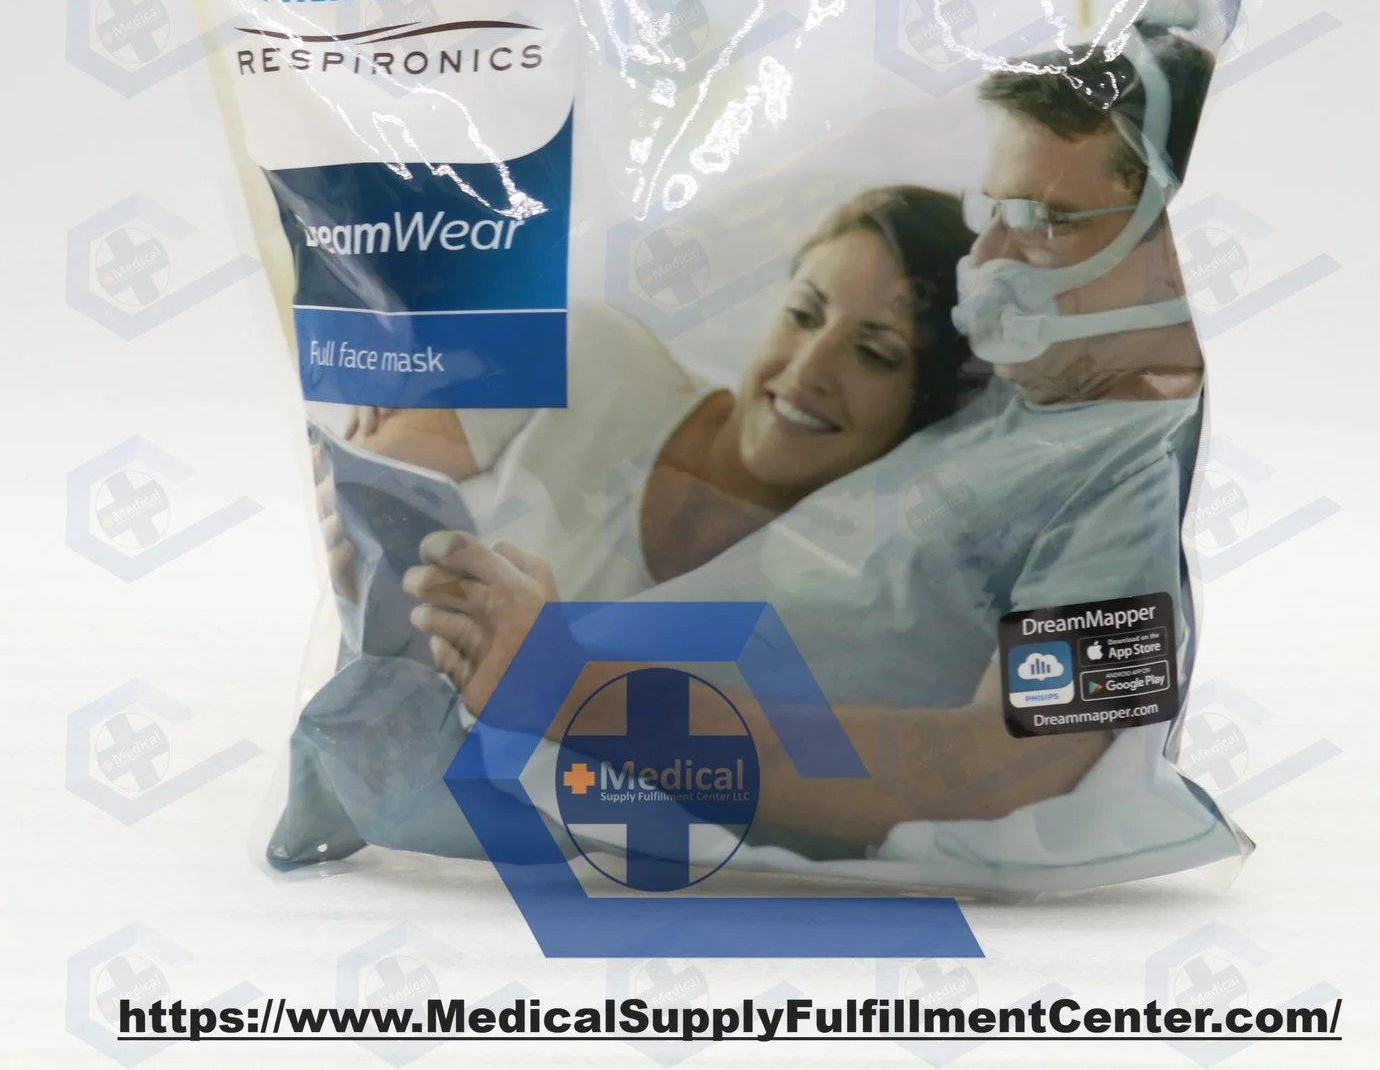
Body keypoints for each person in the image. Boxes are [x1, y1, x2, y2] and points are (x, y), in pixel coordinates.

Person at [405, 14, 1240, 878]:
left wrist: (570, 687)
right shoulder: (1017, 393)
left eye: (1045, 220)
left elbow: (1010, 766)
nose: (990, 259)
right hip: (510, 723)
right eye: (991, 211)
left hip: (590, 793)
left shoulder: (1130, 474)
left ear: (1177, 244)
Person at [270, 185, 981, 866]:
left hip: (547, 851)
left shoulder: (840, 598)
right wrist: (357, 565)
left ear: (924, 408)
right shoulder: (591, 354)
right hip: (393, 784)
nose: (810, 367)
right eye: (804, 313)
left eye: (875, 353)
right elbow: (369, 489)